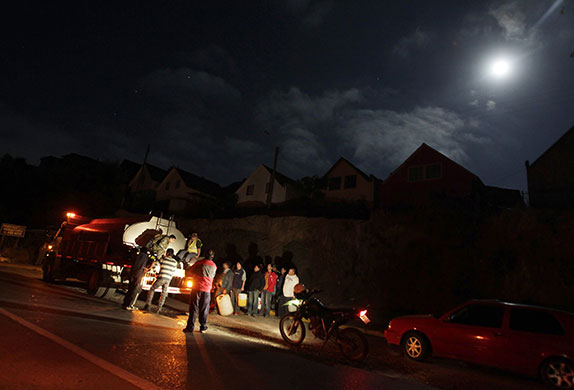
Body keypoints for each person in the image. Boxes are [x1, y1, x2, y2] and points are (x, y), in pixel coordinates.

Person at [183, 250, 217, 333]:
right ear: (212, 257)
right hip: (207, 290)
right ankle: (203, 327)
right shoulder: (214, 266)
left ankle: (190, 327)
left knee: (193, 308)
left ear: (205, 255)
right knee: (204, 309)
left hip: (196, 288)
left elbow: (190, 270)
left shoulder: (199, 263)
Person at [143, 248, 178, 314]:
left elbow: (156, 263)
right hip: (168, 279)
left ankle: (148, 305)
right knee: (164, 293)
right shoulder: (175, 262)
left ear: (167, 253)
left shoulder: (164, 259)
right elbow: (173, 271)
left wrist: (152, 269)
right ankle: (159, 308)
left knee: (152, 289)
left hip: (162, 278)